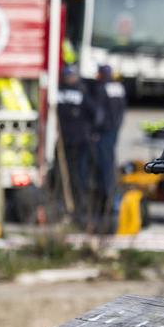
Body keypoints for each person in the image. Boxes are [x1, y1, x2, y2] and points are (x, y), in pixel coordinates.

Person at [56, 64, 102, 228]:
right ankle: (65, 208)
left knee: (80, 177)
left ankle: (80, 209)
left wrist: (92, 132)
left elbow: (95, 113)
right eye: (67, 76)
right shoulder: (59, 91)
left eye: (71, 75)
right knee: (63, 176)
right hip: (63, 142)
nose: (69, 78)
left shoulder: (82, 91)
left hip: (80, 142)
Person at [92, 64, 126, 231]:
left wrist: (95, 131)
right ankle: (111, 201)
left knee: (103, 168)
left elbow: (99, 113)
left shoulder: (102, 88)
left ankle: (107, 203)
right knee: (110, 165)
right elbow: (122, 112)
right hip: (113, 131)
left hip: (104, 133)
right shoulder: (118, 88)